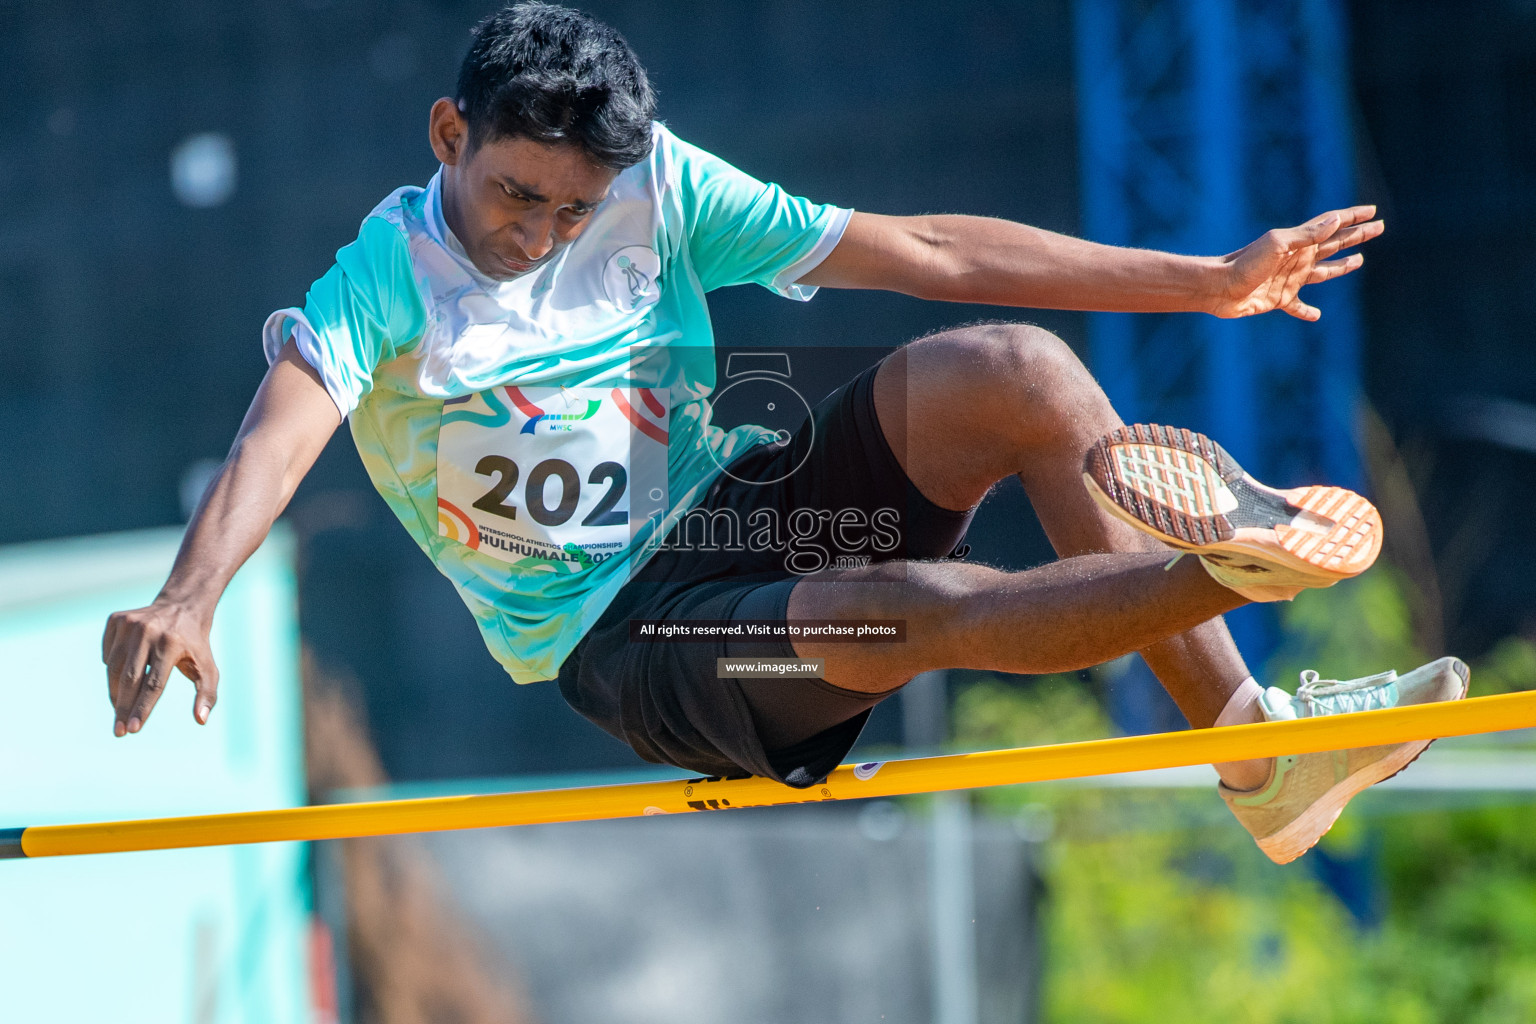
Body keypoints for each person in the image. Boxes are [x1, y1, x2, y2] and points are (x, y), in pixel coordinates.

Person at [101, 2, 1465, 865]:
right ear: (451, 132)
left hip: (731, 513)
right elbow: (282, 430)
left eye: (573, 213)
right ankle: (1230, 571)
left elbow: (929, 250)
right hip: (621, 641)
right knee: (907, 606)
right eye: (514, 195)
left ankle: (1255, 745)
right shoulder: (387, 276)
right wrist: (189, 592)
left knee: (1019, 369)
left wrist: (1212, 280)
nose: (537, 237)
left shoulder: (661, 187)